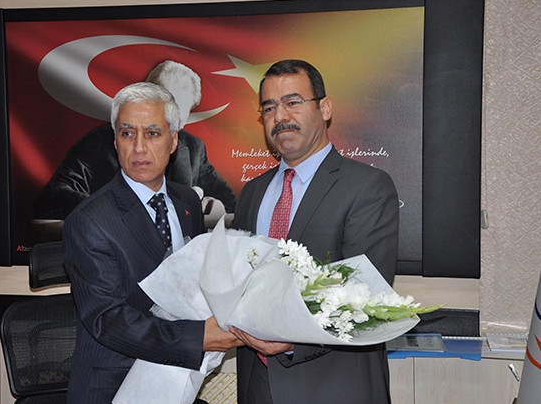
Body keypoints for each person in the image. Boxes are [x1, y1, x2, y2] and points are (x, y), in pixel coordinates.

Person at [229, 60, 400, 404]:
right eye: (269, 107)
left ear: (325, 108)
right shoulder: (251, 193)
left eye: (292, 102)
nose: (280, 116)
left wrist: (291, 340)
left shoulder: (367, 187)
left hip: (334, 387)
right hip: (258, 385)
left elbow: (364, 295)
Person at [62, 82, 242, 404]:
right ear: (115, 141)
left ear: (173, 140)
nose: (139, 147)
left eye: (153, 133)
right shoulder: (89, 221)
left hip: (178, 380)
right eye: (127, 133)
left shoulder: (187, 201)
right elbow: (108, 320)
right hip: (113, 387)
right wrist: (197, 337)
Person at [34, 60, 236, 221]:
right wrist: (114, 210)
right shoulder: (98, 142)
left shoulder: (193, 148)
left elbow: (232, 204)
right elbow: (52, 197)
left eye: (175, 121)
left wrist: (217, 209)